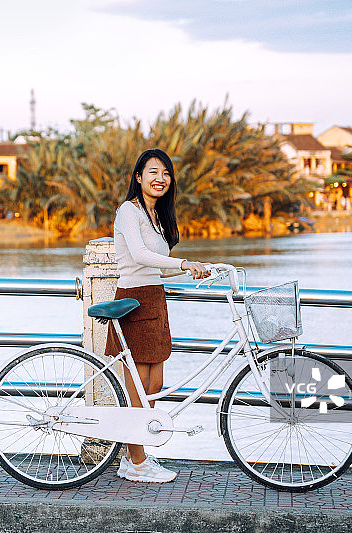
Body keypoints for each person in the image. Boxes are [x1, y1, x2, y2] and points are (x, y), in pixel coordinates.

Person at [104, 148, 210, 484]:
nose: (159, 178)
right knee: (137, 388)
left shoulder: (158, 216)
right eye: (152, 172)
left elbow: (156, 269)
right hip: (132, 301)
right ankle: (136, 462)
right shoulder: (128, 211)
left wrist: (200, 269)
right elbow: (139, 255)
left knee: (154, 385)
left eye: (165, 173)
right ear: (138, 177)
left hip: (154, 300)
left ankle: (137, 455)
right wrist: (182, 263)